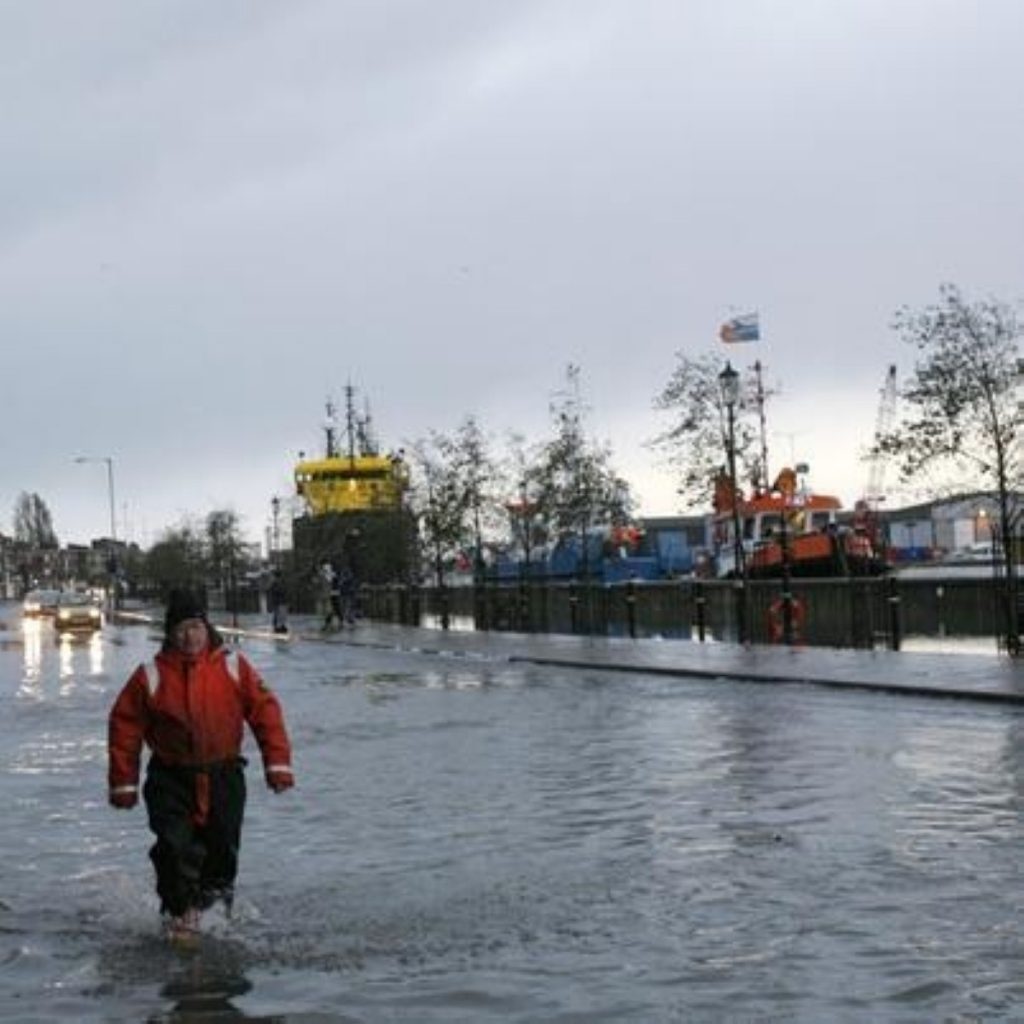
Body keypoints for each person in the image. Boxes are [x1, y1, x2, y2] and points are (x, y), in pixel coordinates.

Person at [107, 588, 294, 942]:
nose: (189, 636)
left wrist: (278, 764)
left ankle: (216, 915)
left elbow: (265, 712)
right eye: (180, 629)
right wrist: (123, 783)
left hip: (224, 776)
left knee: (222, 849)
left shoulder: (234, 666)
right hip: (171, 778)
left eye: (195, 627)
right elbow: (124, 727)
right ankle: (180, 913)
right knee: (174, 847)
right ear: (170, 634)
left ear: (206, 628)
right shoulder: (150, 675)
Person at [267, 570, 288, 634]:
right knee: (279, 615)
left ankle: (279, 627)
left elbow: (271, 592)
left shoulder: (275, 583)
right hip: (279, 602)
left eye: (272, 576)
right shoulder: (276, 583)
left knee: (279, 615)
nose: (271, 577)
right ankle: (279, 627)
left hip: (279, 602)